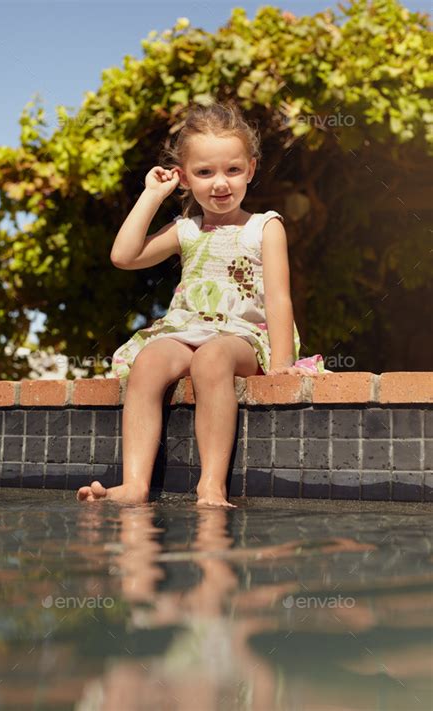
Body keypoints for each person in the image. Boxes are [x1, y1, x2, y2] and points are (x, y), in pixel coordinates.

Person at [77, 101, 329, 508]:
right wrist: (152, 194)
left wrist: (282, 363)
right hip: (187, 329)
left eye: (232, 170)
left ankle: (211, 484)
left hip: (245, 337)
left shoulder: (265, 226)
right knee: (150, 362)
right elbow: (123, 256)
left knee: (211, 359)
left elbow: (279, 296)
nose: (220, 183)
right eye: (204, 172)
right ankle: (135, 484)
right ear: (184, 177)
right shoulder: (187, 230)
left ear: (250, 168)